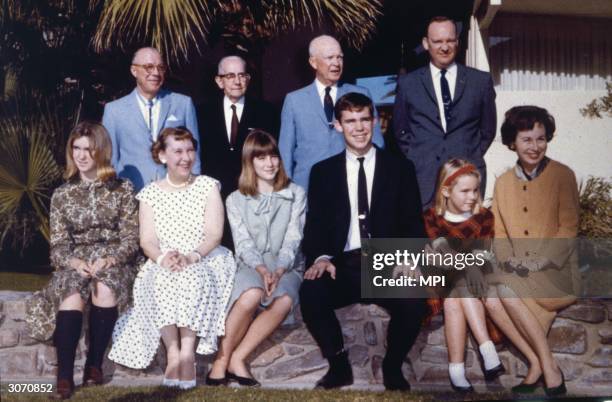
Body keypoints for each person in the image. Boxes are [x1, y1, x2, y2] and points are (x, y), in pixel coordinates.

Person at [299, 92, 427, 391]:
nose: (358, 127)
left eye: (364, 119)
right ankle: (339, 366)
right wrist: (321, 258)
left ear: (375, 122)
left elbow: (412, 223)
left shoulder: (400, 168)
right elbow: (315, 225)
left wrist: (408, 260)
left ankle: (392, 365)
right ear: (338, 126)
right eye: (350, 121)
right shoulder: (323, 172)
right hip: (342, 265)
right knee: (312, 292)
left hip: (385, 262)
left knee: (413, 298)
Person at [108, 127, 236, 390]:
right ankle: (173, 352)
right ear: (163, 155)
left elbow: (214, 234)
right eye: (178, 151)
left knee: (191, 276)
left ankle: (188, 353)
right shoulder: (150, 194)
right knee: (161, 278)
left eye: (190, 150)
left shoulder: (208, 186)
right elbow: (147, 241)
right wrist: (162, 258)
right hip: (164, 256)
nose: (186, 157)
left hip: (203, 255)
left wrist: (192, 256)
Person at [26, 122, 140, 400]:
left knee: (105, 288)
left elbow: (130, 238)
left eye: (89, 149)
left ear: (101, 151)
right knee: (72, 291)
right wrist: (75, 263)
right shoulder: (62, 194)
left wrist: (111, 259)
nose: (81, 155)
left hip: (114, 260)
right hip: (75, 260)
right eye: (76, 148)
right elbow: (59, 246)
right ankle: (64, 377)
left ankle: (94, 366)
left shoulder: (121, 188)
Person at [489, 106, 580, 397]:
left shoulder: (563, 175)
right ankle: (541, 362)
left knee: (502, 292)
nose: (535, 146)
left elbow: (568, 231)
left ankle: (544, 369)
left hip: (555, 273)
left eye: (541, 139)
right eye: (527, 139)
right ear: (512, 142)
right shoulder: (502, 183)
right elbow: (500, 236)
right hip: (519, 274)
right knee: (490, 298)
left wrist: (539, 262)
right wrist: (509, 262)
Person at [206, 130, 306, 387]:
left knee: (284, 299)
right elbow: (243, 243)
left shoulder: (296, 193)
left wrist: (280, 268)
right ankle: (222, 358)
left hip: (287, 264)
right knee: (250, 293)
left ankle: (238, 358)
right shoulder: (235, 199)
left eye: (273, 156)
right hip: (251, 264)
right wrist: (262, 270)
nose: (269, 163)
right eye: (260, 157)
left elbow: (293, 237)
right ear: (249, 162)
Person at [393, 16, 496, 208]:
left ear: (457, 41)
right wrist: (419, 156)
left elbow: (488, 130)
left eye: (449, 40)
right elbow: (401, 130)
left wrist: (469, 153)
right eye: (438, 41)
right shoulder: (408, 84)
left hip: (467, 179)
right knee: (427, 238)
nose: (444, 47)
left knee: (466, 238)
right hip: (423, 180)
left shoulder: (480, 82)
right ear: (426, 43)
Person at [422, 159, 504, 392]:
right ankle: (487, 351)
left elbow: (483, 253)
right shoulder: (432, 217)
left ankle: (456, 371)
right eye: (465, 190)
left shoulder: (483, 217)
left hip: (471, 277)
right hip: (442, 274)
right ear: (446, 191)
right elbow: (442, 252)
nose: (472, 196)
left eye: (475, 190)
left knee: (454, 300)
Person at [279, 35, 384, 191]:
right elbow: (285, 151)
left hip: (352, 186)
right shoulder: (294, 100)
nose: (336, 63)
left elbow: (377, 143)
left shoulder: (361, 94)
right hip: (307, 188)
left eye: (340, 57)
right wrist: (286, 191)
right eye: (330, 57)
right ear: (313, 62)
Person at [198, 55, 279, 248]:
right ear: (219, 81)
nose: (237, 81)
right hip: (216, 194)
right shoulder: (202, 112)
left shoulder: (266, 111)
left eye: (242, 75)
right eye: (230, 76)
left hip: (253, 192)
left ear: (248, 80)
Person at [102, 47, 200, 191]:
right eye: (149, 67)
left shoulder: (183, 104)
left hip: (177, 192)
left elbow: (195, 154)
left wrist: (194, 189)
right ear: (134, 71)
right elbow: (110, 160)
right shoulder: (114, 110)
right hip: (132, 194)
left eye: (160, 67)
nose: (155, 73)